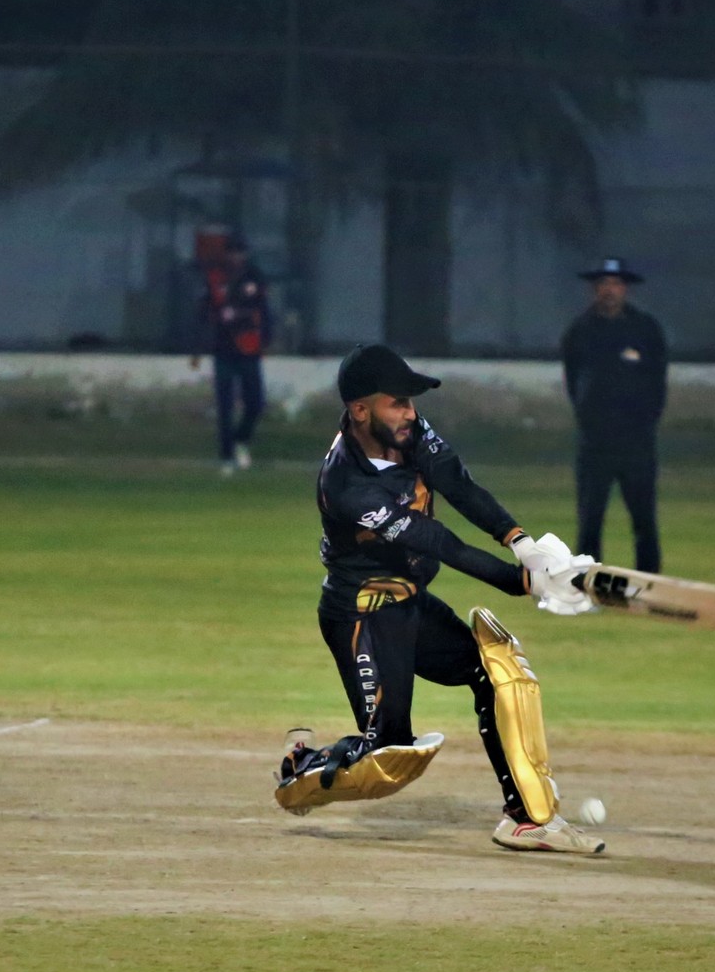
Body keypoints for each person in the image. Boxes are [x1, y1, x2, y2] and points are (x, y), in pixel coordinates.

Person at [272, 343, 606, 854]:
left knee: (500, 671)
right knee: (388, 763)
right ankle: (302, 767)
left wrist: (521, 543)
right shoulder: (346, 483)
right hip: (360, 615)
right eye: (397, 403)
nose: (410, 413)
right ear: (360, 411)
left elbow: (458, 484)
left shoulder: (409, 432)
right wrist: (523, 582)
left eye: (410, 402)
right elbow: (437, 541)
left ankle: (527, 819)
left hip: (409, 603)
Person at [560, 257, 668, 574]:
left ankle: (649, 583)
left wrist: (645, 423)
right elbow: (574, 381)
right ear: (595, 289)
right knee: (590, 519)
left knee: (644, 519)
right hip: (595, 444)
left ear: (626, 289)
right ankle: (586, 584)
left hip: (637, 443)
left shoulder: (645, 329)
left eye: (616, 284)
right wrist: (589, 419)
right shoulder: (580, 331)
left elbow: (657, 382)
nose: (610, 290)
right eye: (604, 284)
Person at [190, 234, 270, 475]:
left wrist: (266, 338)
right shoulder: (215, 279)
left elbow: (263, 310)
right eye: (232, 253)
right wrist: (198, 346)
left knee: (255, 402)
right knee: (225, 406)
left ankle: (240, 440)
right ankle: (226, 456)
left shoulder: (254, 277)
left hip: (249, 348)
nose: (236, 258)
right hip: (223, 349)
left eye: (240, 253)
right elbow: (204, 313)